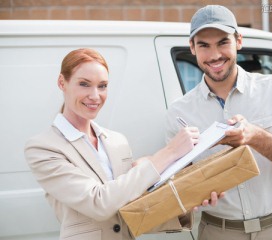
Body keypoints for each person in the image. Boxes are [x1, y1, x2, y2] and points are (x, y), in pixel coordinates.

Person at [24, 48, 221, 240]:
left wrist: (187, 200)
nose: (95, 95)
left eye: (102, 86)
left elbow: (130, 210)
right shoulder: (43, 147)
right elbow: (99, 203)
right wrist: (169, 152)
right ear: (62, 82)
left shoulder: (116, 141)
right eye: (84, 84)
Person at [165, 5, 272, 240]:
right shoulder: (179, 112)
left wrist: (256, 136)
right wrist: (195, 194)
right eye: (204, 45)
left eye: (222, 42)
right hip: (218, 232)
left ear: (238, 40)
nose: (215, 55)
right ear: (192, 48)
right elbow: (181, 189)